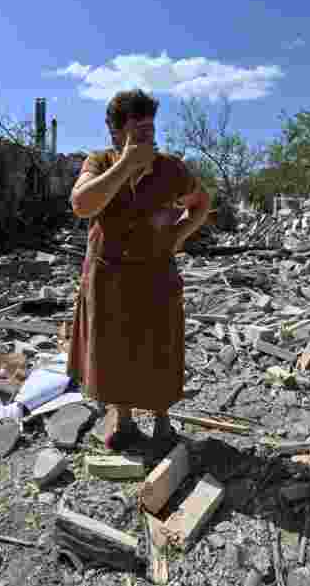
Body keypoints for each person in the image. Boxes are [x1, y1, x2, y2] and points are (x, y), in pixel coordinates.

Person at [68, 89, 211, 450]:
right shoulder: (99, 163)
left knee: (159, 345)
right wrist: (125, 165)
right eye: (137, 131)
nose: (147, 138)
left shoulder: (170, 169)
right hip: (109, 274)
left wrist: (179, 234)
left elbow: (201, 203)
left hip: (156, 272)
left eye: (150, 129)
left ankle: (162, 421)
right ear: (116, 132)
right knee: (113, 349)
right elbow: (82, 205)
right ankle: (124, 420)